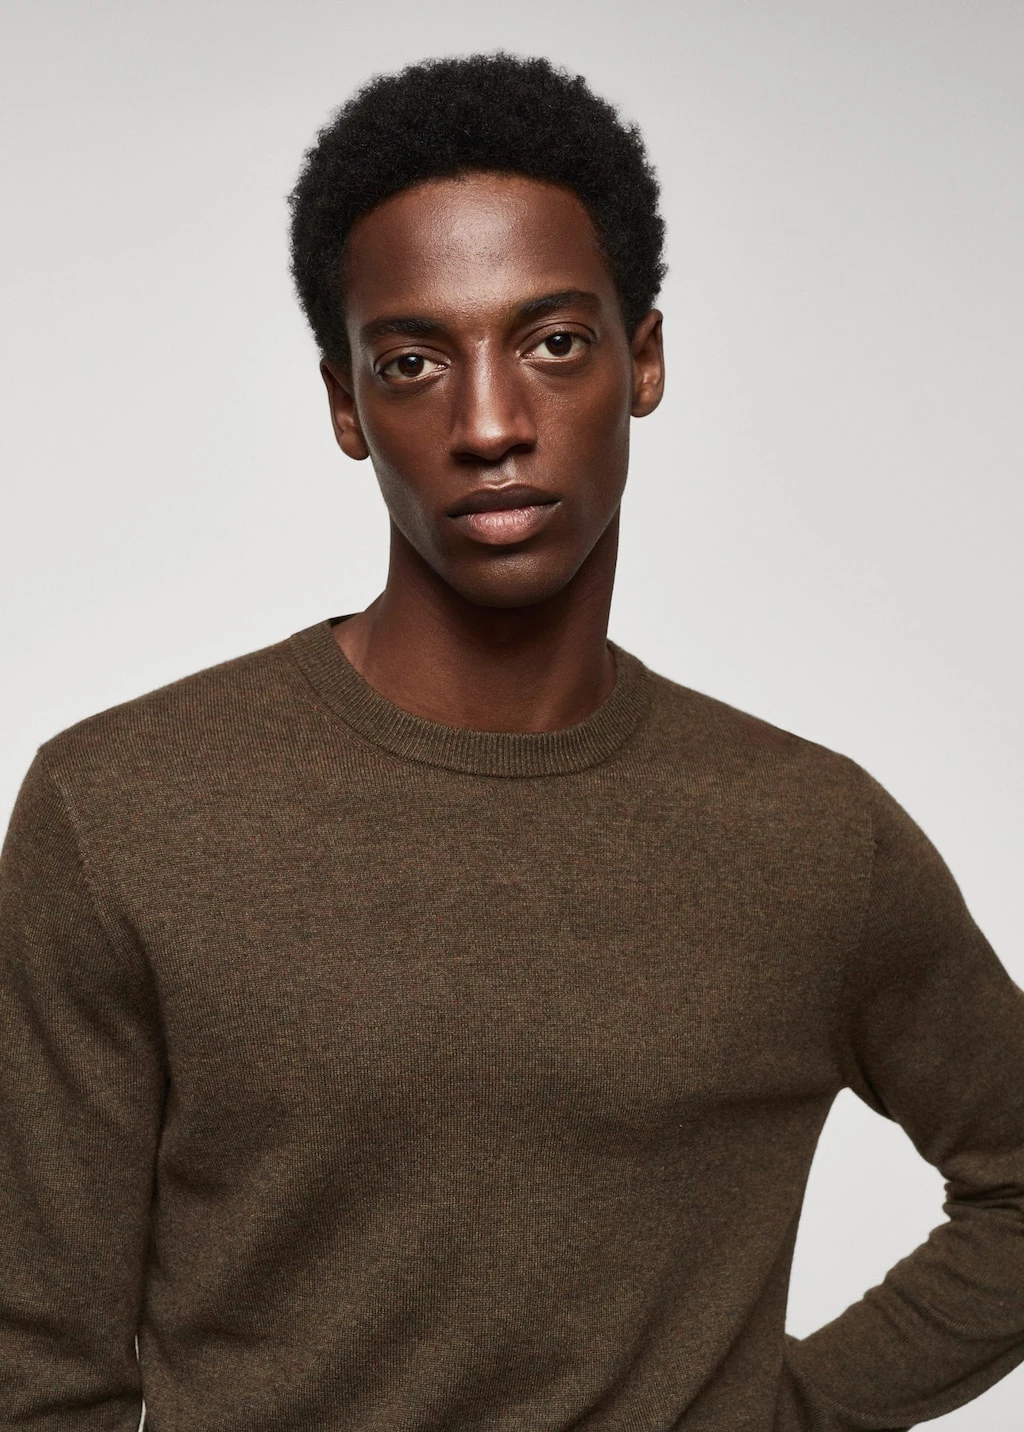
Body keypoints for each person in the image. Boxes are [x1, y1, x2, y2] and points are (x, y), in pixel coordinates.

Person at [1, 51, 1022, 1432]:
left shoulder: (812, 837)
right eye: (413, 363)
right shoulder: (120, 811)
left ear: (642, 359)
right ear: (346, 406)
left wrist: (786, 1412)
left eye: (552, 343)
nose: (490, 425)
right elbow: (36, 1367)